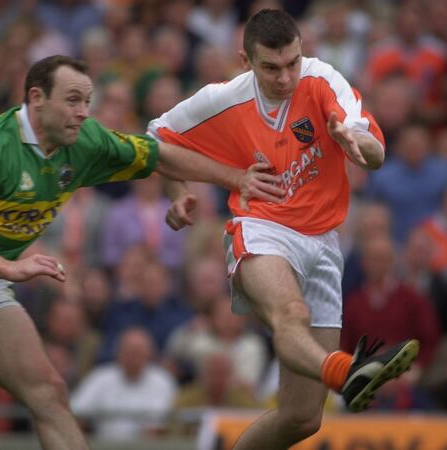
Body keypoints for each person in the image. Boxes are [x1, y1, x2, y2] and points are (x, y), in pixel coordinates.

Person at [0, 55, 282, 450]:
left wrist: (236, 179)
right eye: (73, 100)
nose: (83, 112)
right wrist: (8, 267)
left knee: (49, 392)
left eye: (88, 101)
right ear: (37, 97)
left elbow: (160, 155)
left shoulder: (83, 141)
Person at [149, 10, 419, 448]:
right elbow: (157, 140)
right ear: (245, 61)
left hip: (325, 242)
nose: (285, 76)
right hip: (261, 227)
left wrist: (357, 144)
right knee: (290, 315)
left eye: (292, 62)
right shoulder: (224, 99)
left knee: (301, 418)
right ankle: (347, 372)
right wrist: (182, 190)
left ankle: (340, 373)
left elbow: (374, 153)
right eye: (271, 68)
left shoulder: (322, 80)